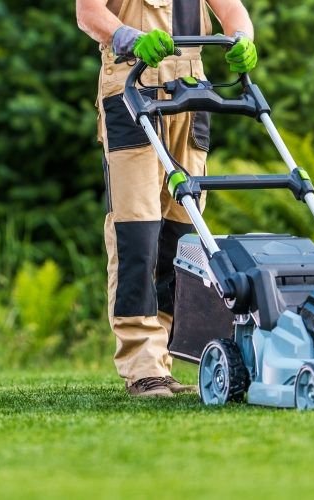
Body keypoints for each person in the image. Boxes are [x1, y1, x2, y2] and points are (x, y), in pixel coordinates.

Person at [76, 0, 258, 397]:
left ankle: (165, 361)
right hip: (131, 86)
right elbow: (87, 12)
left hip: (190, 94)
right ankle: (143, 365)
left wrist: (243, 37)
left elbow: (233, 11)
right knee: (136, 231)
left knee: (183, 235)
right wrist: (129, 38)